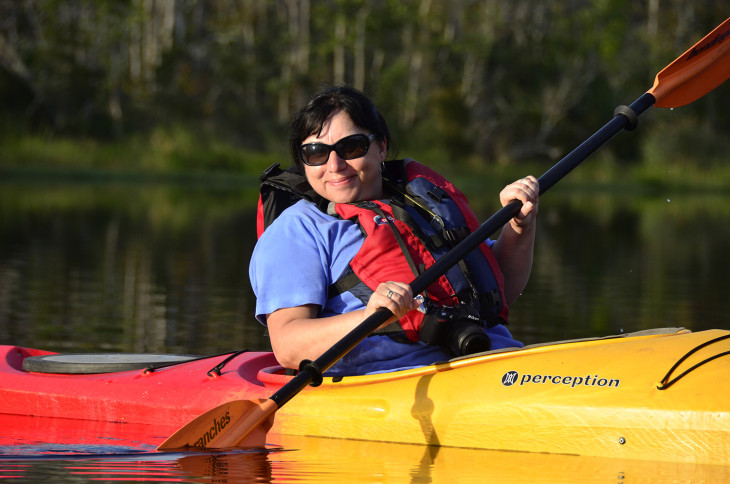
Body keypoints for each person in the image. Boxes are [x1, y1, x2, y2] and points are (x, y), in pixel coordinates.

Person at [249, 86, 539, 377]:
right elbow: (287, 345)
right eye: (315, 153)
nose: (334, 165)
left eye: (351, 147)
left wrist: (519, 227)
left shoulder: (424, 204)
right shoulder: (298, 229)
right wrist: (368, 317)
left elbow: (503, 290)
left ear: (381, 148)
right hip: (397, 382)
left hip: (497, 364)